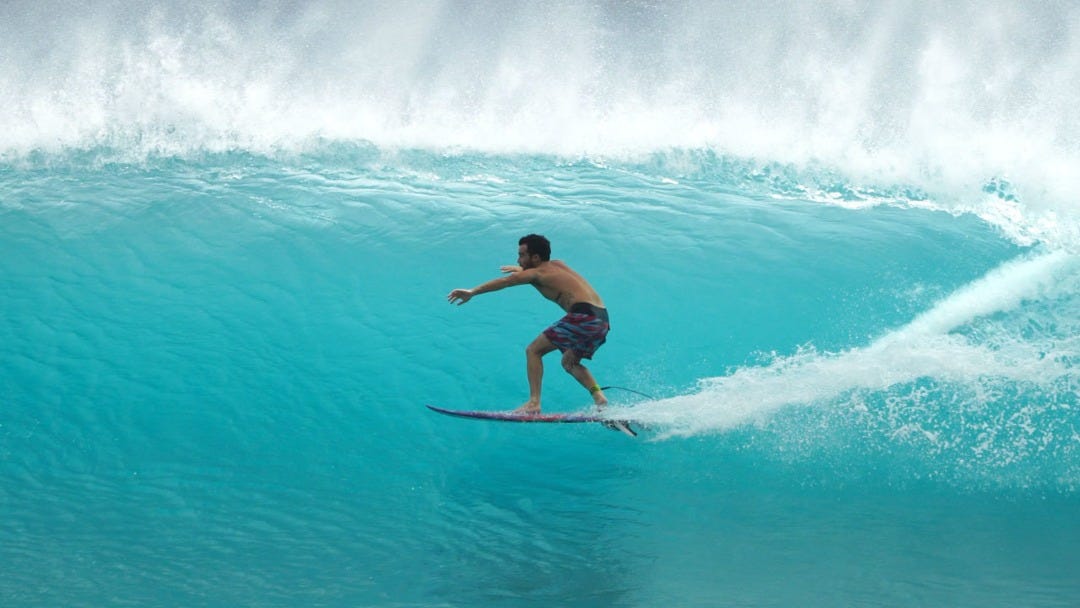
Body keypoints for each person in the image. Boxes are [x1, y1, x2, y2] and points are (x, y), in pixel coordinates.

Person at [447, 234, 610, 414]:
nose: (518, 259)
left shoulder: (536, 274)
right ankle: (599, 397)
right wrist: (521, 268)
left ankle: (534, 403)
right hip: (601, 320)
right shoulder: (559, 264)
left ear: (535, 258)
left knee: (533, 351)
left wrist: (472, 291)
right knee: (569, 363)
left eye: (522, 255)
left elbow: (506, 282)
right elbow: (544, 273)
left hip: (583, 317)